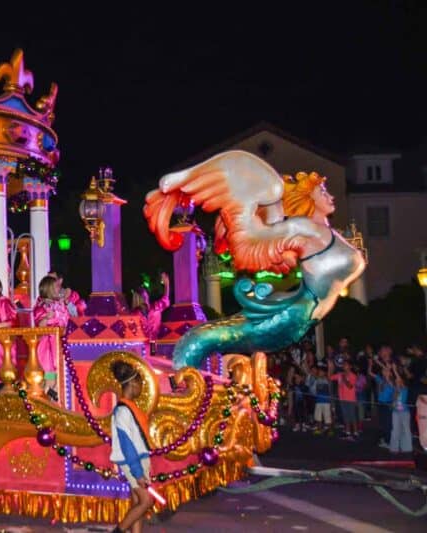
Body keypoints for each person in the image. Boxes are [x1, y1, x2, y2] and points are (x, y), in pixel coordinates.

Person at [148, 155, 366, 370]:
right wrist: (247, 207)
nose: (331, 197)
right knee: (200, 340)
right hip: (295, 316)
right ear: (309, 198)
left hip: (302, 314)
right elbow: (257, 236)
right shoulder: (304, 229)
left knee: (204, 340)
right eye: (322, 192)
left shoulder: (326, 232)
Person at [109, 360, 154, 533]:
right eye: (140, 383)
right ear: (133, 383)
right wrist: (137, 472)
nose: (141, 388)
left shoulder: (129, 408)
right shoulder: (123, 411)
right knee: (146, 502)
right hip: (132, 462)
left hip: (137, 461)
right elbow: (127, 444)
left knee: (138, 502)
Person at [34, 275, 70, 400]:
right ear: (48, 288)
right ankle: (46, 401)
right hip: (48, 346)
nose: (58, 288)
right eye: (56, 286)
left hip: (60, 344)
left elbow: (66, 321)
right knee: (50, 376)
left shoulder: (60, 305)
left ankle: (54, 401)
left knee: (61, 377)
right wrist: (47, 318)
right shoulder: (41, 306)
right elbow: (40, 325)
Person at [131, 272, 170, 340]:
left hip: (153, 342)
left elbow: (165, 299)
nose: (143, 296)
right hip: (140, 345)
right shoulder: (135, 313)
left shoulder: (156, 307)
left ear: (148, 295)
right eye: (141, 295)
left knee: (153, 350)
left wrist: (167, 284)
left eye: (144, 293)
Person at [329, 359, 359, 439]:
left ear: (350, 366)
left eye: (345, 365)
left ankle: (355, 432)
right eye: (343, 365)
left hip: (351, 399)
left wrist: (344, 378)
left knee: (352, 416)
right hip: (342, 399)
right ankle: (348, 432)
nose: (344, 366)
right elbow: (330, 377)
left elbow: (350, 386)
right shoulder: (340, 374)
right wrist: (330, 368)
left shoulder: (353, 375)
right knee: (346, 416)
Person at [368, 358, 395, 448]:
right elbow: (370, 373)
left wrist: (383, 365)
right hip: (381, 404)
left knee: (388, 423)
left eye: (385, 371)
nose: (384, 371)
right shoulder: (380, 379)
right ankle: (386, 440)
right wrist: (370, 364)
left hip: (388, 404)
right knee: (383, 423)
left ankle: (389, 442)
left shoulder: (391, 381)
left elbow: (391, 386)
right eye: (383, 371)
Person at [389, 365, 413, 454]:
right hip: (395, 412)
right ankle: (394, 449)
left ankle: (407, 449)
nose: (397, 382)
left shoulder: (405, 389)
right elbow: (393, 402)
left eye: (399, 381)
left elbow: (399, 381)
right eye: (396, 382)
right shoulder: (395, 390)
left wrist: (395, 371)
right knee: (395, 430)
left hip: (405, 412)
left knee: (406, 430)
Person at [307, 363, 332, 434]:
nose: (319, 373)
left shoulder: (327, 380)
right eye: (319, 372)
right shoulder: (316, 380)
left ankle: (330, 430)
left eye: (321, 372)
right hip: (318, 401)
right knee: (318, 416)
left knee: (327, 417)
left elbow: (330, 389)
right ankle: (319, 429)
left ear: (324, 373)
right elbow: (312, 389)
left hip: (326, 401)